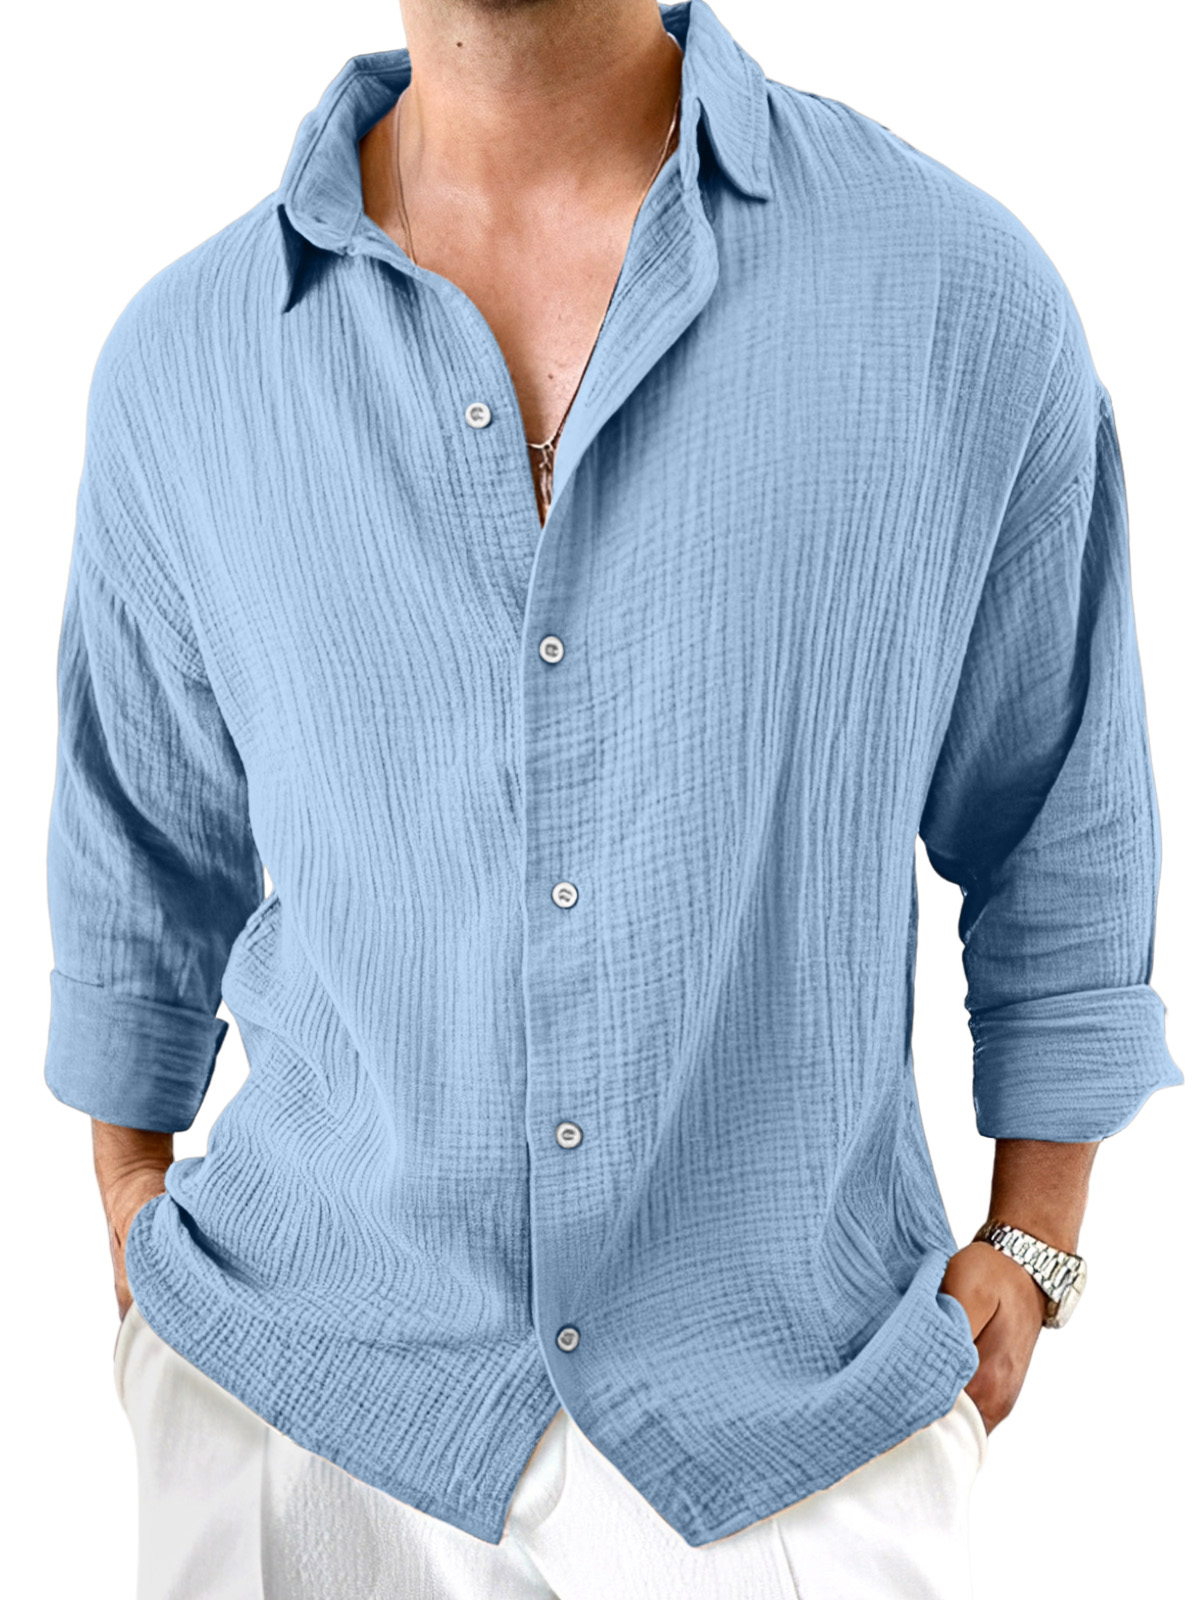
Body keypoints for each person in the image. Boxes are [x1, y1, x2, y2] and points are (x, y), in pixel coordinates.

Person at [45, 1, 1182, 1595]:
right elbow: (139, 846)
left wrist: (1037, 1236)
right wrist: (127, 1195)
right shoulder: (187, 362)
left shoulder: (954, 292)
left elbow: (1059, 812)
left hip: (797, 1421)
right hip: (293, 1407)